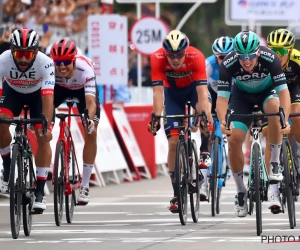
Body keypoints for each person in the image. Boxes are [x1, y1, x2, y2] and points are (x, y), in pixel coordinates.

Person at [216, 31, 291, 217]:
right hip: (241, 97)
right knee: (233, 139)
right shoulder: (228, 63)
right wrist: (223, 121)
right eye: (242, 57)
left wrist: (285, 120)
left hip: (267, 93)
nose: (247, 61)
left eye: (250, 56)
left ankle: (274, 163)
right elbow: (222, 99)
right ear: (236, 54)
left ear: (258, 52)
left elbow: (284, 93)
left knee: (275, 108)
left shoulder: (271, 58)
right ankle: (241, 191)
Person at [148, 30, 212, 212]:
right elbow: (158, 93)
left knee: (205, 114)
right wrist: (156, 116)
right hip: (172, 95)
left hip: (193, 90)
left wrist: (204, 116)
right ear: (165, 53)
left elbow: (202, 93)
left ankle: (205, 150)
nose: (175, 60)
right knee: (173, 143)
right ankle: (176, 194)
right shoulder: (157, 58)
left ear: (186, 51)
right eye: (171, 56)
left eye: (179, 55)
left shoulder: (196, 56)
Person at [0, 27, 55, 213]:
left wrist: (46, 125)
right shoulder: (2, 60)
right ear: (12, 51)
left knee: (42, 134)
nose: (23, 59)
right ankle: (7, 165)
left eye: (28, 54)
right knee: (1, 123)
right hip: (12, 93)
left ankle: (39, 191)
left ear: (36, 52)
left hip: (37, 96)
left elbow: (48, 99)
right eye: (18, 53)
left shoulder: (45, 63)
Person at [50, 38, 100, 205]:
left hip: (82, 92)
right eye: (58, 63)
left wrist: (89, 119)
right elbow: (43, 99)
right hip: (59, 89)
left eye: (65, 62)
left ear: (73, 59)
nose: (62, 66)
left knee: (91, 131)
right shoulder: (49, 67)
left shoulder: (84, 68)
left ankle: (85, 185)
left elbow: (91, 103)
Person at [200, 36, 234, 201]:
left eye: (228, 56)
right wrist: (201, 112)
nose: (225, 60)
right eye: (221, 57)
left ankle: (229, 157)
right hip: (213, 97)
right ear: (215, 57)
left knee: (235, 130)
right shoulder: (208, 64)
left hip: (233, 97)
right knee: (207, 129)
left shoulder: (238, 64)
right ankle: (204, 182)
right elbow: (200, 89)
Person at [264, 29, 300, 172]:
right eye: (273, 50)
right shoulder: (265, 61)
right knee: (268, 132)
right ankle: (270, 181)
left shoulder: (297, 58)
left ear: (290, 51)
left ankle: (298, 150)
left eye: (282, 51)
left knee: (296, 115)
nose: (277, 55)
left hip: (294, 87)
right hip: (274, 90)